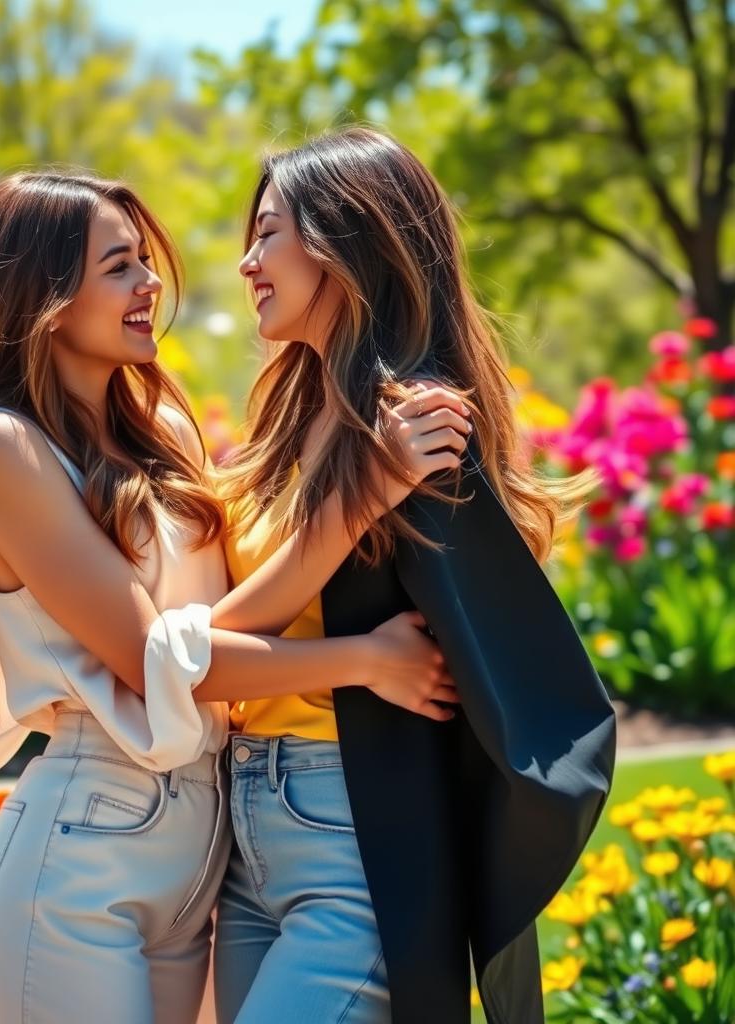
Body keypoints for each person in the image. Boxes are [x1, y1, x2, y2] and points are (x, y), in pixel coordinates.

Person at [0, 168, 473, 1023]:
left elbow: (218, 633)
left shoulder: (159, 436)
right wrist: (361, 653)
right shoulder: (0, 450)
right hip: (85, 847)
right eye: (119, 267)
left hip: (207, 851)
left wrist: (363, 495)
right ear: (43, 297)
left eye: (145, 260)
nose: (151, 284)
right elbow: (148, 662)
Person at [209, 125, 618, 1024]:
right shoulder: (293, 426)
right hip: (244, 839)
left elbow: (527, 683)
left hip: (348, 829)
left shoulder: (415, 426)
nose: (246, 262)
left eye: (268, 232)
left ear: (344, 246)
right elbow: (205, 653)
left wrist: (372, 489)